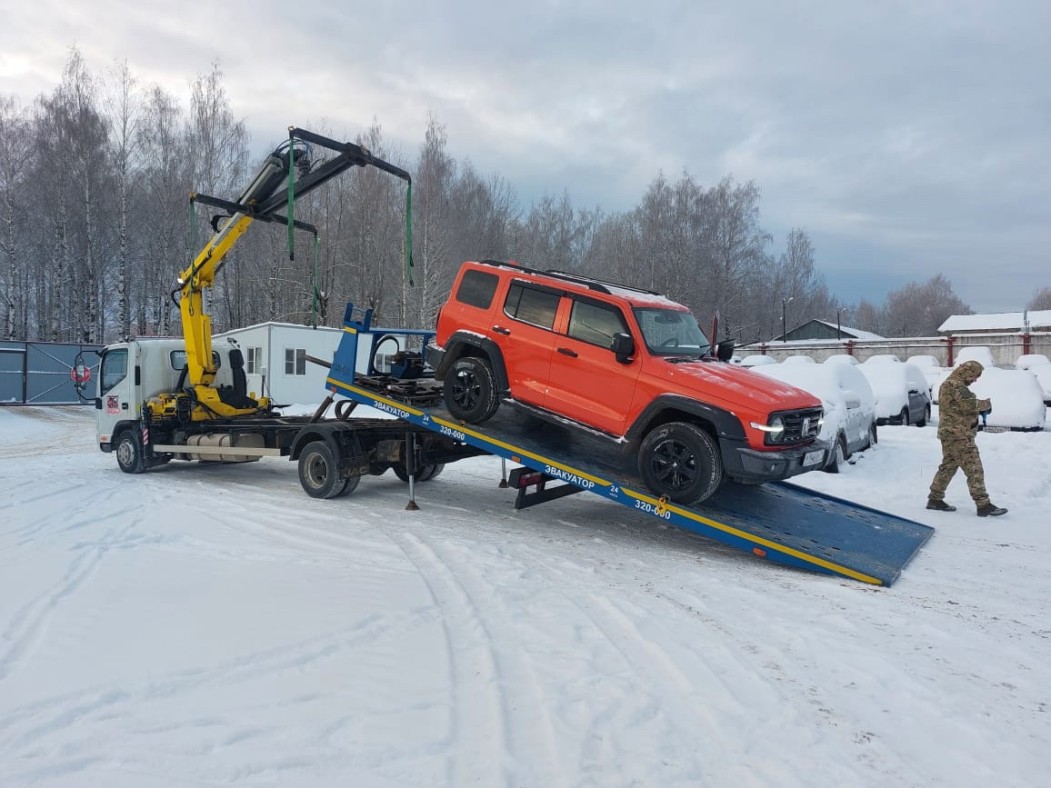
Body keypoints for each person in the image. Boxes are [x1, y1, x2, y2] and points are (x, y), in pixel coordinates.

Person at [927, 360, 1007, 517]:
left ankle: (935, 499)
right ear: (967, 372)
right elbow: (968, 404)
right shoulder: (955, 385)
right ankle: (983, 504)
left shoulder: (950, 384)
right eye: (974, 376)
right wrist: (986, 404)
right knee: (974, 468)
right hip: (959, 436)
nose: (975, 380)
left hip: (950, 434)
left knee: (948, 466)